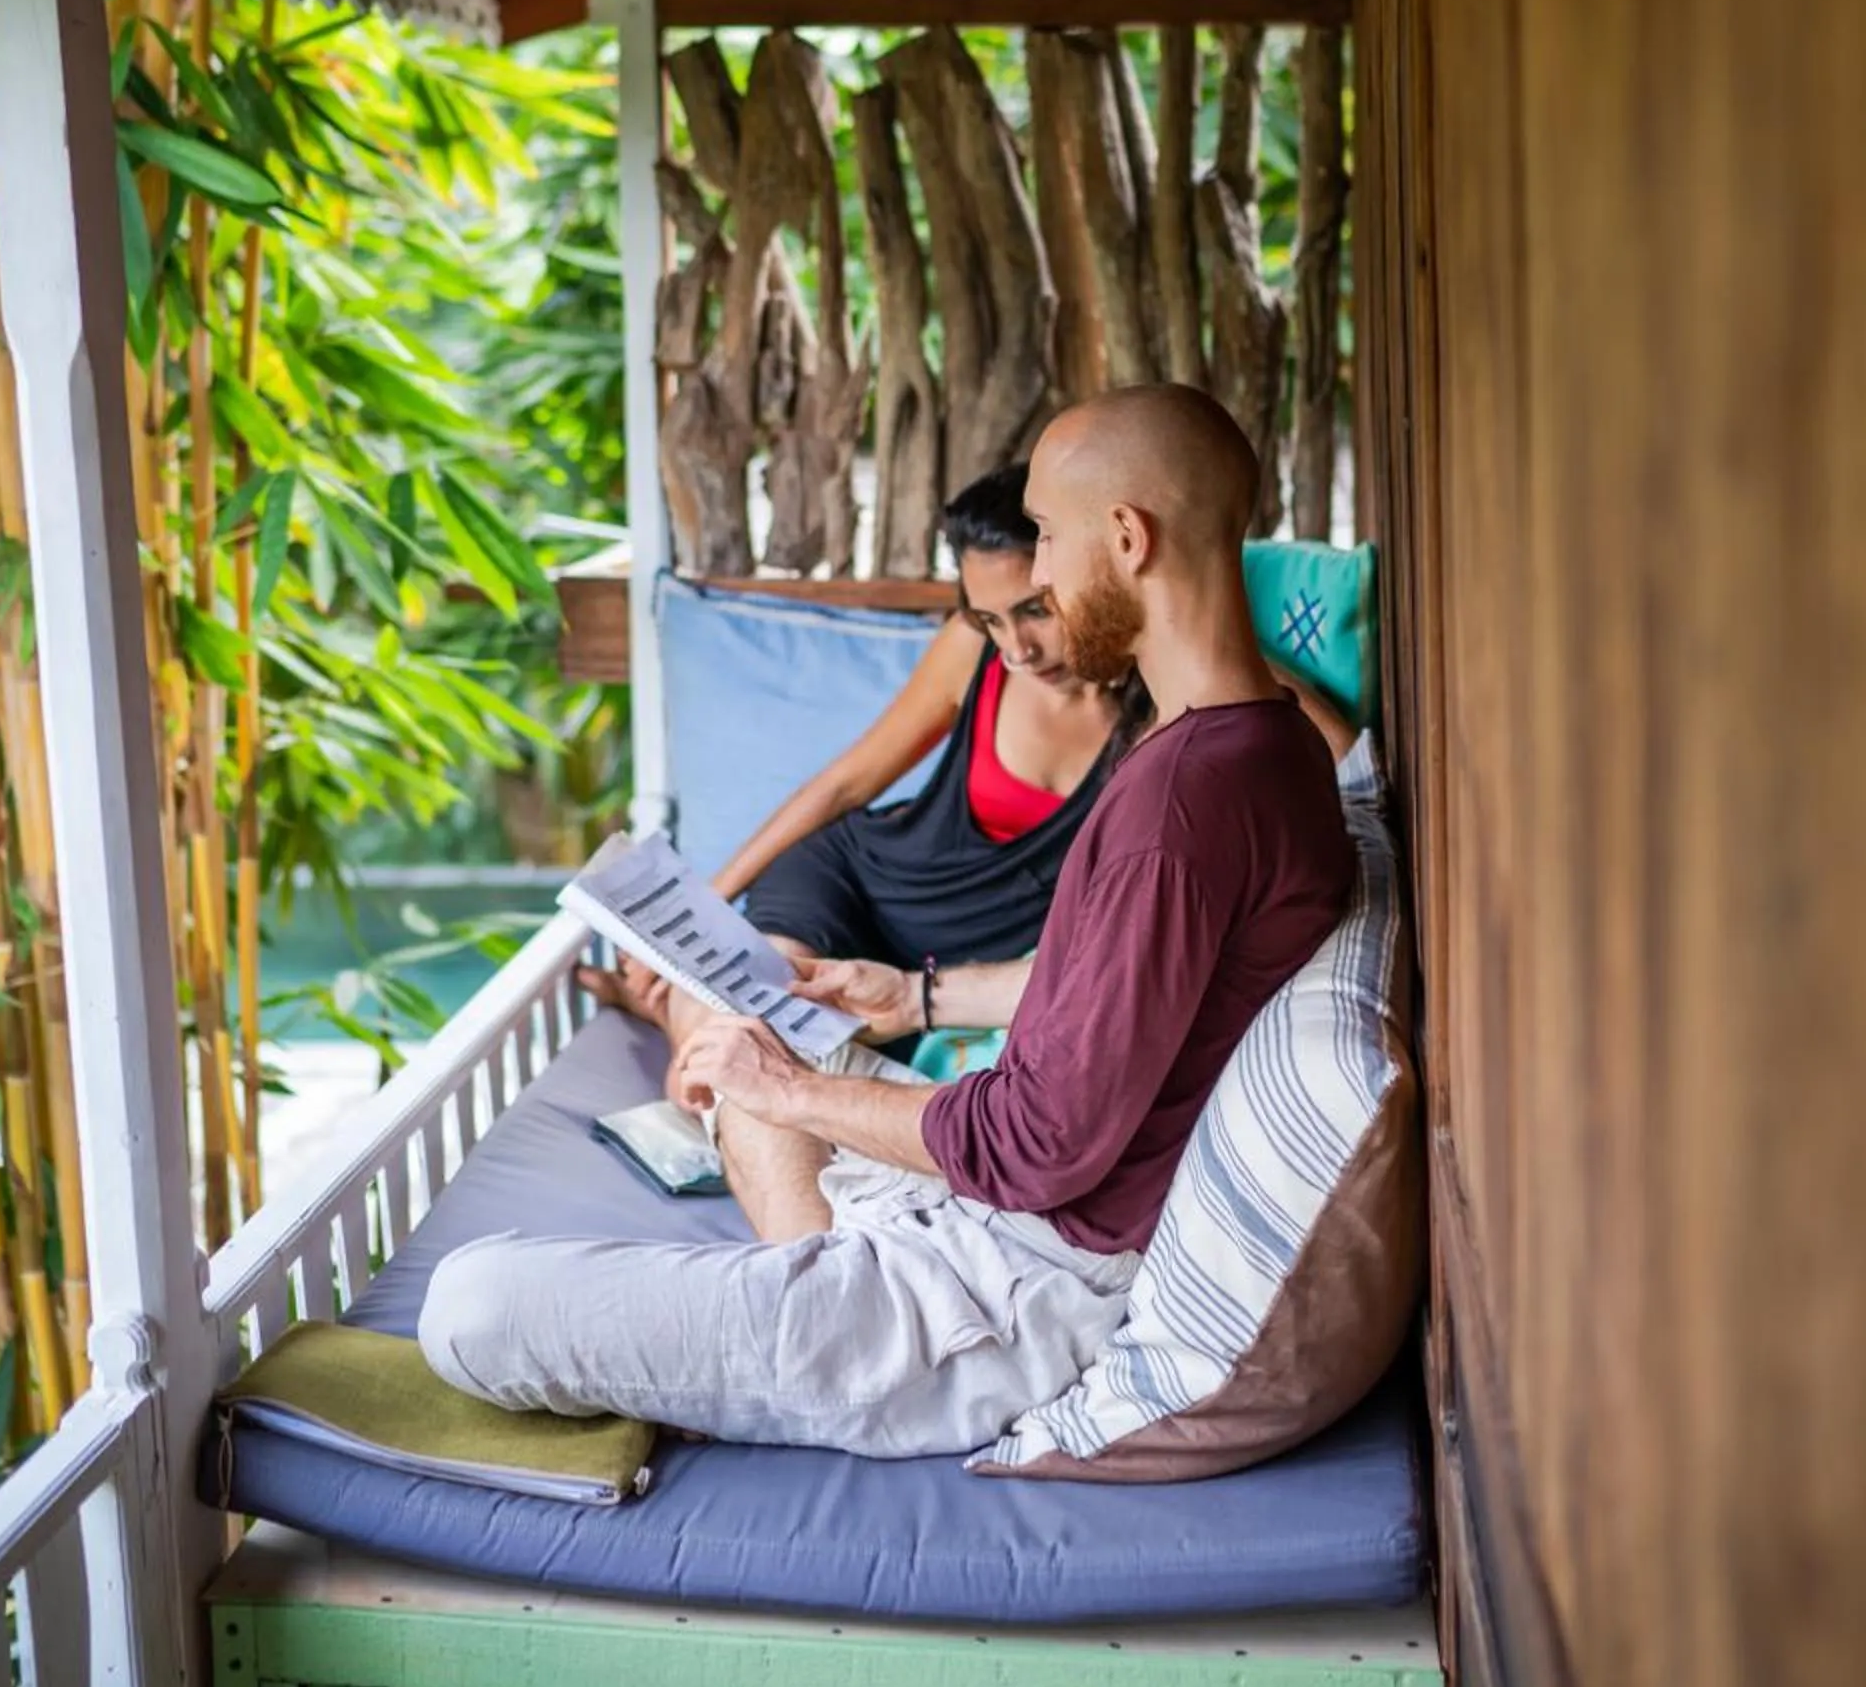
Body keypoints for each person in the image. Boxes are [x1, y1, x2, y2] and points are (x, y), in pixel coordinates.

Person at [420, 386, 1357, 1461]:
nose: (1038, 576)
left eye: (1046, 539)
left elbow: (1039, 1148)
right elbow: (1111, 1013)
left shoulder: (1180, 802)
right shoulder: (1266, 749)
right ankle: (806, 1309)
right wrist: (891, 1010)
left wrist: (800, 1092)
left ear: (1127, 539)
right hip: (1002, 1199)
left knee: (472, 1303)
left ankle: (819, 1342)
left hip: (1018, 1282)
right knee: (762, 1068)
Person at [582, 464, 1137, 1065]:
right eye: (990, 619)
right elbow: (844, 784)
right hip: (851, 884)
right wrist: (711, 902)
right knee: (748, 1023)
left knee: (763, 1044)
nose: (1017, 649)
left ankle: (666, 1009)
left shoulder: (1161, 716)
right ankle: (672, 1007)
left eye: (1037, 610)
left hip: (948, 980)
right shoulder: (971, 652)